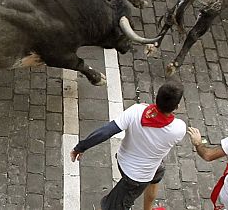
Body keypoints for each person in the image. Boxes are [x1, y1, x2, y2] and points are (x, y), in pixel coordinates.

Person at [70, 82, 186, 210]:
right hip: (141, 175)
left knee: (158, 171)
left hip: (127, 163)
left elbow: (106, 131)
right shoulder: (179, 128)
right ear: (177, 107)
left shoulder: (136, 110)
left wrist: (81, 147)